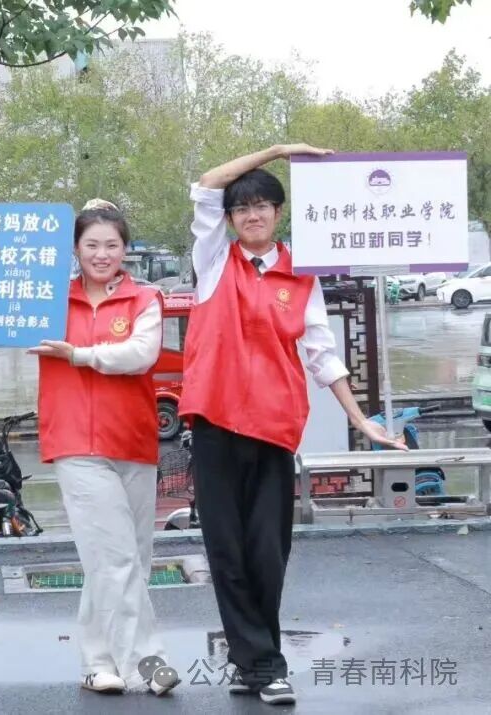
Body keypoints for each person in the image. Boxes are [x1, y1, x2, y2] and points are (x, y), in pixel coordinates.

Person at [181, 144, 406, 706]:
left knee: (267, 552)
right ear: (230, 219)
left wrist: (362, 420)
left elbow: (322, 355)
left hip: (274, 427)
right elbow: (207, 183)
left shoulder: (301, 276)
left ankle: (251, 661)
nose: (251, 216)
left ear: (278, 213)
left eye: (261, 206)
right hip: (214, 425)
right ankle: (265, 665)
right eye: (241, 209)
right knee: (226, 551)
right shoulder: (213, 261)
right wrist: (279, 150)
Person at [26, 199, 179, 696]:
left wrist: (78, 355)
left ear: (126, 249)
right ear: (74, 249)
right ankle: (148, 661)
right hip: (75, 442)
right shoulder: (50, 300)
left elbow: (142, 355)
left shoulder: (145, 299)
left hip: (132, 439)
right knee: (115, 558)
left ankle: (97, 663)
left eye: (111, 245)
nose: (101, 254)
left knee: (124, 557)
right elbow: (5, 290)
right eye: (91, 244)